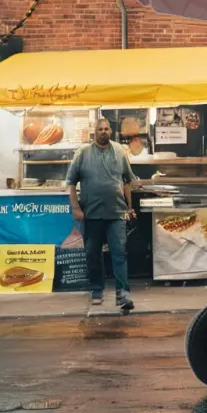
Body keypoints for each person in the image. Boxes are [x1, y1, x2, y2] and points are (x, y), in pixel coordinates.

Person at [66, 118, 136, 310]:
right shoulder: (83, 153)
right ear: (94, 132)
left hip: (117, 213)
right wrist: (75, 208)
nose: (103, 131)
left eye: (106, 129)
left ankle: (123, 294)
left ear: (111, 131)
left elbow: (127, 181)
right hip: (91, 214)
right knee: (92, 254)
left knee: (119, 253)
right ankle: (97, 289)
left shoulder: (120, 151)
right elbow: (71, 183)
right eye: (100, 129)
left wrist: (130, 208)